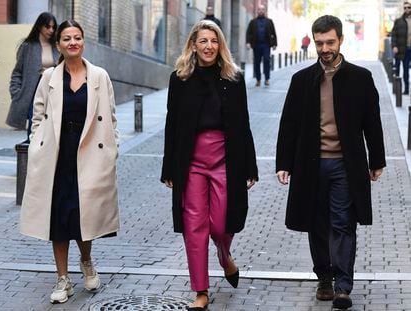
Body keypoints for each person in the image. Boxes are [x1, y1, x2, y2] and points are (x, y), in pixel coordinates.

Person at [276, 15, 385, 309]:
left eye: (330, 42)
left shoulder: (360, 78)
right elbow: (289, 124)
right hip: (310, 165)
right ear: (314, 41)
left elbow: (372, 123)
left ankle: (343, 285)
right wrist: (283, 162)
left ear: (340, 41)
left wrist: (377, 159)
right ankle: (323, 277)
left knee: (343, 223)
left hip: (345, 165)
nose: (325, 48)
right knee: (317, 224)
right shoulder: (302, 80)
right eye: (320, 42)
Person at [20, 20, 119, 304]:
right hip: (57, 155)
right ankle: (62, 279)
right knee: (58, 217)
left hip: (89, 154)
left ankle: (86, 261)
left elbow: (110, 118)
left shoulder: (99, 76)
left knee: (82, 213)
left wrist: (112, 151)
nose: (72, 42)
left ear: (83, 41)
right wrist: (39, 145)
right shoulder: (50, 77)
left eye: (77, 37)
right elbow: (37, 115)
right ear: (59, 44)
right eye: (67, 38)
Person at [161, 20, 258, 311]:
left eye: (213, 41)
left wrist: (250, 167)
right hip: (191, 161)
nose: (208, 46)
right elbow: (172, 124)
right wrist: (169, 168)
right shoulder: (179, 79)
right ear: (193, 44)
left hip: (225, 159)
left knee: (220, 223)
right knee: (194, 226)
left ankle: (224, 255)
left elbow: (244, 125)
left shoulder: (233, 78)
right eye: (202, 41)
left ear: (221, 46)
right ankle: (200, 291)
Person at [6, 12, 59, 141]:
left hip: (53, 89)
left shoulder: (57, 46)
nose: (51, 30)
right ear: (40, 26)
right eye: (48, 27)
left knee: (52, 121)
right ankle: (33, 149)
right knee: (34, 121)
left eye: (53, 27)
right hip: (33, 90)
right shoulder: (27, 46)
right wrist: (16, 93)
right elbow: (17, 72)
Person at [246, 4, 277, 87]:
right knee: (257, 62)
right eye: (259, 9)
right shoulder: (253, 22)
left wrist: (274, 44)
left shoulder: (269, 21)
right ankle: (258, 80)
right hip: (256, 45)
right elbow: (248, 33)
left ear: (265, 11)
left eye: (262, 9)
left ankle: (267, 79)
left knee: (267, 61)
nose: (261, 11)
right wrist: (248, 43)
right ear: (257, 11)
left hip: (266, 45)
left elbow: (274, 33)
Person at [391, 2, 411, 94]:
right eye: (405, 8)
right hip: (399, 49)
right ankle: (397, 89)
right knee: (397, 69)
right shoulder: (398, 21)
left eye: (409, 7)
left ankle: (406, 89)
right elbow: (393, 35)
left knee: (406, 70)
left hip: (408, 49)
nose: (407, 9)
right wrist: (394, 46)